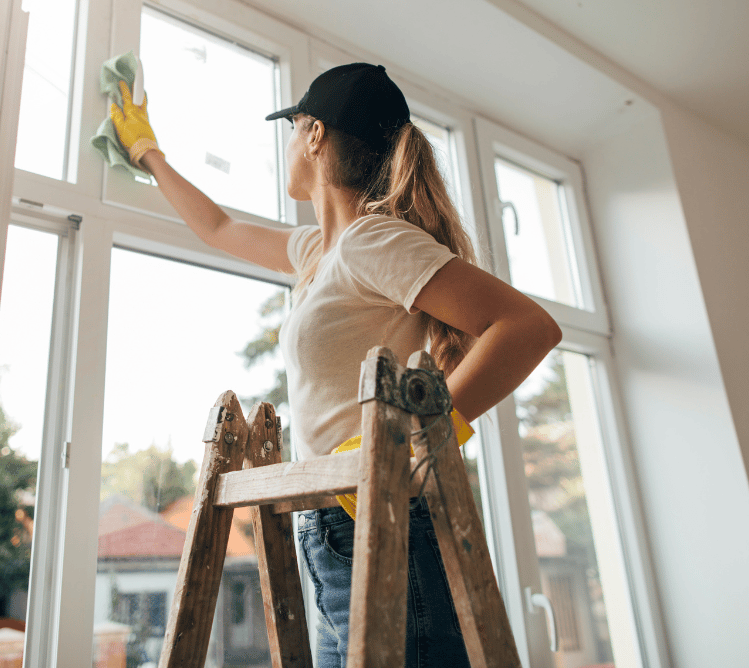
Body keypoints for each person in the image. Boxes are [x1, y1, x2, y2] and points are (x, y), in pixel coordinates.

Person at [111, 61, 562, 667]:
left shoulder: (374, 241)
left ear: (316, 134)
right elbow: (216, 226)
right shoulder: (317, 251)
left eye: (293, 127)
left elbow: (528, 327)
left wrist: (416, 439)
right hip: (331, 529)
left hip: (386, 522)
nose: (289, 143)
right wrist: (147, 152)